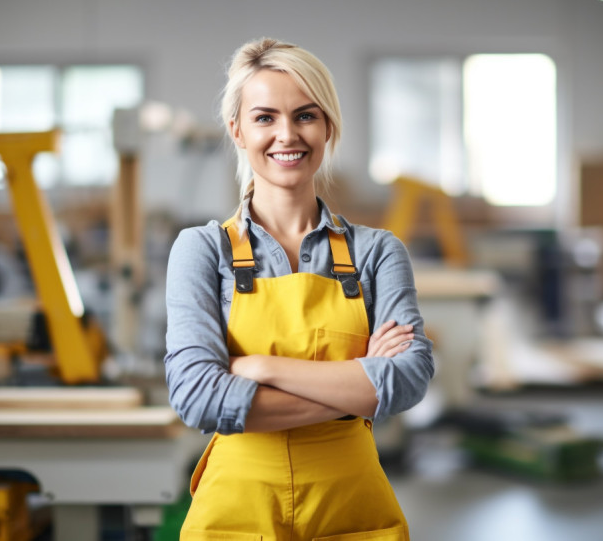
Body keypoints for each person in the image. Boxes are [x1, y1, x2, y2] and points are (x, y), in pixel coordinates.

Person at [165, 37, 434, 540]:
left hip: (351, 511)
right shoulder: (202, 250)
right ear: (237, 130)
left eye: (306, 115)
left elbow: (409, 379)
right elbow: (198, 397)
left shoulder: (377, 252)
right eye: (264, 117)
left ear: (328, 127)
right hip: (236, 513)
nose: (287, 134)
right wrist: (360, 387)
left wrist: (261, 369)